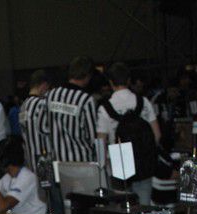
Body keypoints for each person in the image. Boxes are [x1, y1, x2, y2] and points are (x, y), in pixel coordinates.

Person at [98, 62, 162, 204]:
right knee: (143, 208)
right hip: (143, 163)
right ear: (128, 80)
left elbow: (100, 142)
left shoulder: (105, 108)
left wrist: (106, 164)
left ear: (110, 82)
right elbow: (157, 135)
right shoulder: (143, 102)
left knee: (120, 208)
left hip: (118, 163)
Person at [45, 56, 99, 161]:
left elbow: (45, 127)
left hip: (58, 160)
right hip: (81, 160)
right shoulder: (86, 99)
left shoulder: (51, 95)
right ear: (87, 76)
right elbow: (92, 137)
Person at [18, 70, 50, 172]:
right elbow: (47, 130)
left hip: (29, 159)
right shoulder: (41, 104)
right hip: (44, 158)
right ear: (44, 85)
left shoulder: (23, 106)